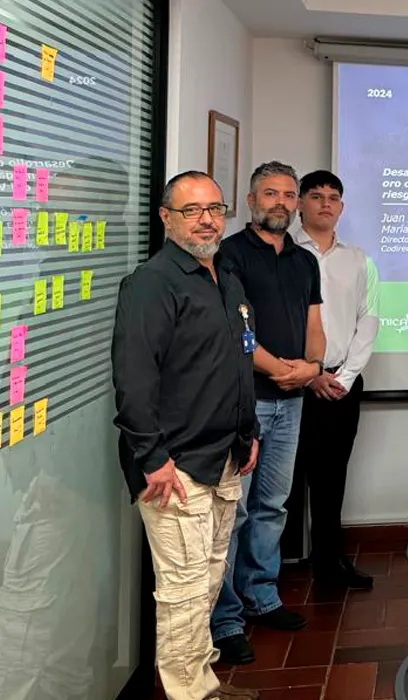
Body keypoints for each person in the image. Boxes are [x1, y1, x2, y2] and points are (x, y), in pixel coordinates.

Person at [111, 171, 259, 699]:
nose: (206, 220)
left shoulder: (226, 279)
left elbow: (239, 363)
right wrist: (152, 459)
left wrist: (250, 431)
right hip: (173, 469)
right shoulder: (152, 283)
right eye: (192, 210)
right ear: (166, 218)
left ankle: (203, 683)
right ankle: (187, 694)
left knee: (209, 581)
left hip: (224, 458)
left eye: (214, 209)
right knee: (183, 591)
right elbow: (133, 381)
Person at [211, 161, 325, 665]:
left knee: (273, 506)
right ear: (251, 199)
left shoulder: (304, 260)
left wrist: (313, 365)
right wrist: (284, 368)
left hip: (293, 399)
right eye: (269, 193)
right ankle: (226, 619)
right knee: (232, 513)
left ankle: (262, 596)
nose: (280, 202)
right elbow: (234, 329)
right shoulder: (229, 254)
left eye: (287, 194)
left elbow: (314, 322)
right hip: (246, 400)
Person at [289, 170, 379, 587]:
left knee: (332, 478)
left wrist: (343, 375)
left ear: (341, 207)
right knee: (285, 482)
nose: (325, 203)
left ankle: (330, 564)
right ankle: (278, 571)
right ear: (300, 203)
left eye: (333, 197)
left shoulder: (358, 259)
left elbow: (368, 320)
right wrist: (311, 376)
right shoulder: (284, 252)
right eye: (316, 195)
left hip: (342, 384)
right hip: (292, 384)